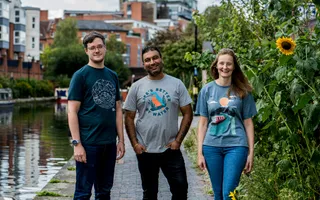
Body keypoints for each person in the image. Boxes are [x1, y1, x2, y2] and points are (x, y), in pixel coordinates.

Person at [124, 46, 193, 200]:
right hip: (146, 150)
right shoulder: (136, 87)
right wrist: (135, 144)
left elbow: (188, 113)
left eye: (155, 58)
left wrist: (178, 141)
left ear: (161, 59)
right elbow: (128, 117)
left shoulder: (176, 84)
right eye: (147, 60)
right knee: (150, 193)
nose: (152, 62)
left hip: (171, 149)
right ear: (143, 64)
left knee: (181, 189)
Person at [68, 31, 125, 200]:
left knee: (104, 192)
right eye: (92, 48)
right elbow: (72, 111)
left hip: (109, 144)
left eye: (99, 46)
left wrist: (121, 140)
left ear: (105, 48)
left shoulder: (112, 75)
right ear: (86, 51)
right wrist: (77, 144)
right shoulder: (80, 76)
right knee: (83, 193)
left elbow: (118, 109)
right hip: (88, 144)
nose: (96, 50)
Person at [196, 48, 257, 200]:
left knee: (228, 194)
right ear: (216, 66)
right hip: (211, 147)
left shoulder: (243, 91)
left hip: (237, 146)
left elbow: (248, 123)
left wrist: (251, 153)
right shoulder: (206, 90)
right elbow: (202, 124)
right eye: (221, 63)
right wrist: (199, 153)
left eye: (229, 64)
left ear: (234, 67)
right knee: (217, 194)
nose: (225, 67)